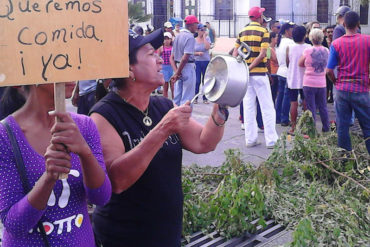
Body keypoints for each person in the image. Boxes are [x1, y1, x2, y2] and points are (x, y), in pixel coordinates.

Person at [91, 28, 227, 246]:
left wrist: (220, 109)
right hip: (124, 235)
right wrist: (162, 130)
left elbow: (204, 142)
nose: (159, 58)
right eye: (149, 54)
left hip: (166, 231)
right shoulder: (104, 115)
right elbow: (117, 180)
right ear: (128, 68)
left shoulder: (163, 106)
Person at [0, 82, 111, 246]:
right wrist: (49, 178)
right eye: (56, 63)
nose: (66, 72)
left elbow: (101, 197)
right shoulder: (5, 136)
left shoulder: (85, 126)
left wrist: (85, 153)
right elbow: (15, 225)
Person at [233, 6, 278, 149]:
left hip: (247, 76)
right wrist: (251, 67)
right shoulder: (264, 31)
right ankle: (271, 140)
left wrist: (243, 69)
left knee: (248, 106)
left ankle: (250, 139)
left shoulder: (241, 31)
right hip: (259, 74)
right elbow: (263, 54)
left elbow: (235, 53)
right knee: (267, 107)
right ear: (259, 17)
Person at [327, 11, 370, 154]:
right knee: (367, 126)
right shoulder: (367, 40)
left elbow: (328, 71)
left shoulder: (336, 44)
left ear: (343, 24)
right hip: (361, 89)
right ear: (358, 24)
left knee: (342, 126)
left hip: (342, 89)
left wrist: (335, 82)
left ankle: (345, 159)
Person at [299, 28, 330, 133]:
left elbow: (300, 63)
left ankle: (312, 130)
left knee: (311, 107)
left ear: (311, 38)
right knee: (323, 107)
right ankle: (326, 128)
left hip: (309, 82)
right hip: (321, 83)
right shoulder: (326, 50)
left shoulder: (307, 50)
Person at [286, 25, 310, 134]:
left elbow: (288, 62)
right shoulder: (308, 47)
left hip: (292, 77)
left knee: (293, 103)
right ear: (305, 35)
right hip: (306, 77)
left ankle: (293, 126)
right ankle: (305, 127)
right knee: (306, 102)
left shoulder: (289, 47)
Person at [170, 15, 199, 106]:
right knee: (187, 97)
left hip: (178, 66)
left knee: (177, 96)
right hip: (187, 67)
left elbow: (172, 57)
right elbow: (185, 57)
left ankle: (175, 117)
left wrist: (176, 72)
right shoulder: (190, 37)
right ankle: (185, 119)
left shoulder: (178, 36)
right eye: (196, 24)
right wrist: (178, 73)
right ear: (191, 25)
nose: (197, 27)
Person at [275, 22, 295, 126]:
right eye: (292, 29)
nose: (293, 31)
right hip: (288, 72)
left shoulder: (279, 41)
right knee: (287, 97)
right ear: (287, 30)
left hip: (280, 71)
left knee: (280, 96)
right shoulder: (290, 43)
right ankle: (284, 118)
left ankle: (278, 117)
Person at [194, 23, 211, 104]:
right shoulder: (194, 40)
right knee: (197, 81)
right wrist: (197, 53)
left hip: (206, 61)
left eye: (204, 30)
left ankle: (205, 98)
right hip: (197, 62)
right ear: (197, 30)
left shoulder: (207, 38)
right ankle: (196, 97)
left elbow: (207, 47)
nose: (203, 31)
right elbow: (190, 52)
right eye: (201, 30)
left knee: (205, 80)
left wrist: (204, 37)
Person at [158, 32, 174, 99]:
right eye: (165, 39)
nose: (166, 40)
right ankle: (165, 100)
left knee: (173, 86)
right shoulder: (161, 48)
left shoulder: (173, 47)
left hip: (172, 67)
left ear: (171, 40)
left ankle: (174, 100)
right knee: (165, 86)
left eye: (168, 39)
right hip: (164, 68)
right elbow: (158, 57)